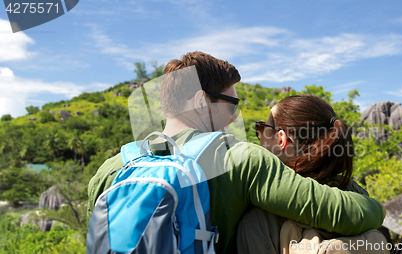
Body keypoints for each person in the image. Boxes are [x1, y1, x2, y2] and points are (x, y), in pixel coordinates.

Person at [87, 51, 385, 254]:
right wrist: (379, 209)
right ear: (201, 102)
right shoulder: (239, 159)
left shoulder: (109, 171)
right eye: (231, 106)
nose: (233, 118)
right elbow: (341, 213)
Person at [237, 94, 384, 254]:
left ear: (281, 139)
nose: (259, 136)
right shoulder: (358, 197)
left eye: (261, 127)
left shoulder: (258, 220)